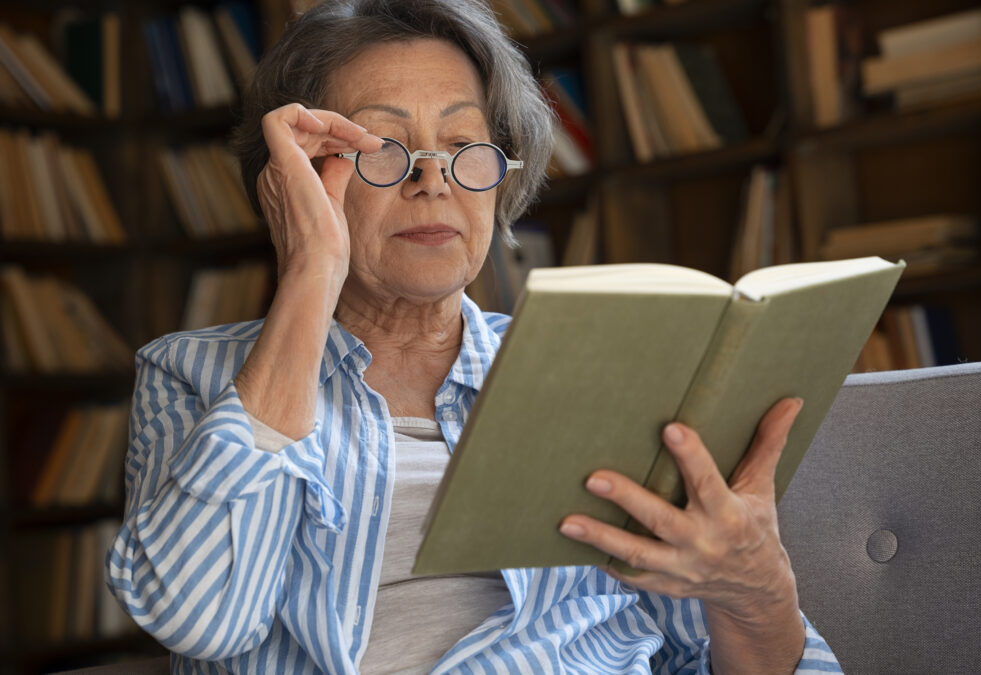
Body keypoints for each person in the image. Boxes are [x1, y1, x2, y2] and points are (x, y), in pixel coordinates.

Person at [106, 1, 840, 673]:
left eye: (464, 143)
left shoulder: (597, 372)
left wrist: (756, 590)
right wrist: (309, 272)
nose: (435, 178)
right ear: (297, 179)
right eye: (385, 147)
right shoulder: (193, 374)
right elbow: (202, 620)